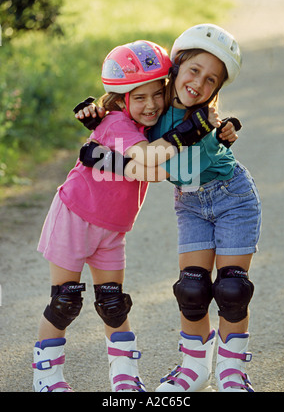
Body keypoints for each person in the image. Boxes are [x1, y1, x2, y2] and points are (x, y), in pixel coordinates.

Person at [32, 39, 225, 393]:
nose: (150, 105)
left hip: (111, 230)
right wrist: (190, 130)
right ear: (122, 100)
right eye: (139, 98)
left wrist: (214, 130)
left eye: (157, 95)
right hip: (74, 218)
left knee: (113, 303)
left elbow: (162, 161)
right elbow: (152, 161)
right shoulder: (119, 124)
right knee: (65, 300)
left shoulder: (146, 126)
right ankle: (47, 376)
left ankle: (124, 376)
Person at [78, 24, 261, 392]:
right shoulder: (155, 106)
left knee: (231, 291)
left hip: (233, 199)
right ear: (175, 66)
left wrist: (104, 159)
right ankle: (195, 369)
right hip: (191, 204)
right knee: (191, 290)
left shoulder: (206, 124)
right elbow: (126, 122)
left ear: (217, 90)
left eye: (211, 80)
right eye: (194, 70)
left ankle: (231, 372)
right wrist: (99, 118)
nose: (199, 83)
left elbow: (168, 167)